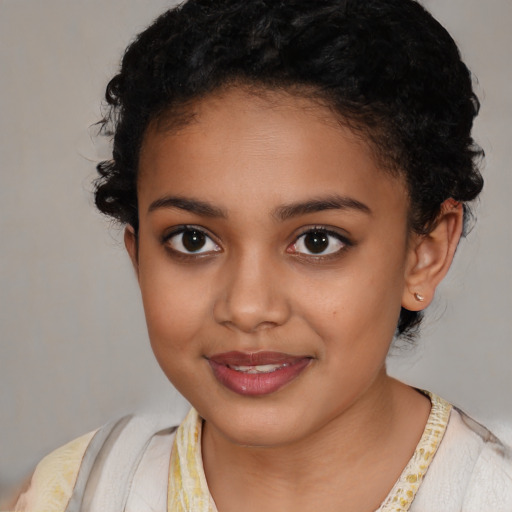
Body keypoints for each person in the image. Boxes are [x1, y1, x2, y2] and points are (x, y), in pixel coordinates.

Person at [11, 0, 512, 510]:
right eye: (192, 240)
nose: (247, 308)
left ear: (423, 253)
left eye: (318, 241)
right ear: (138, 256)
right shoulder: (74, 492)